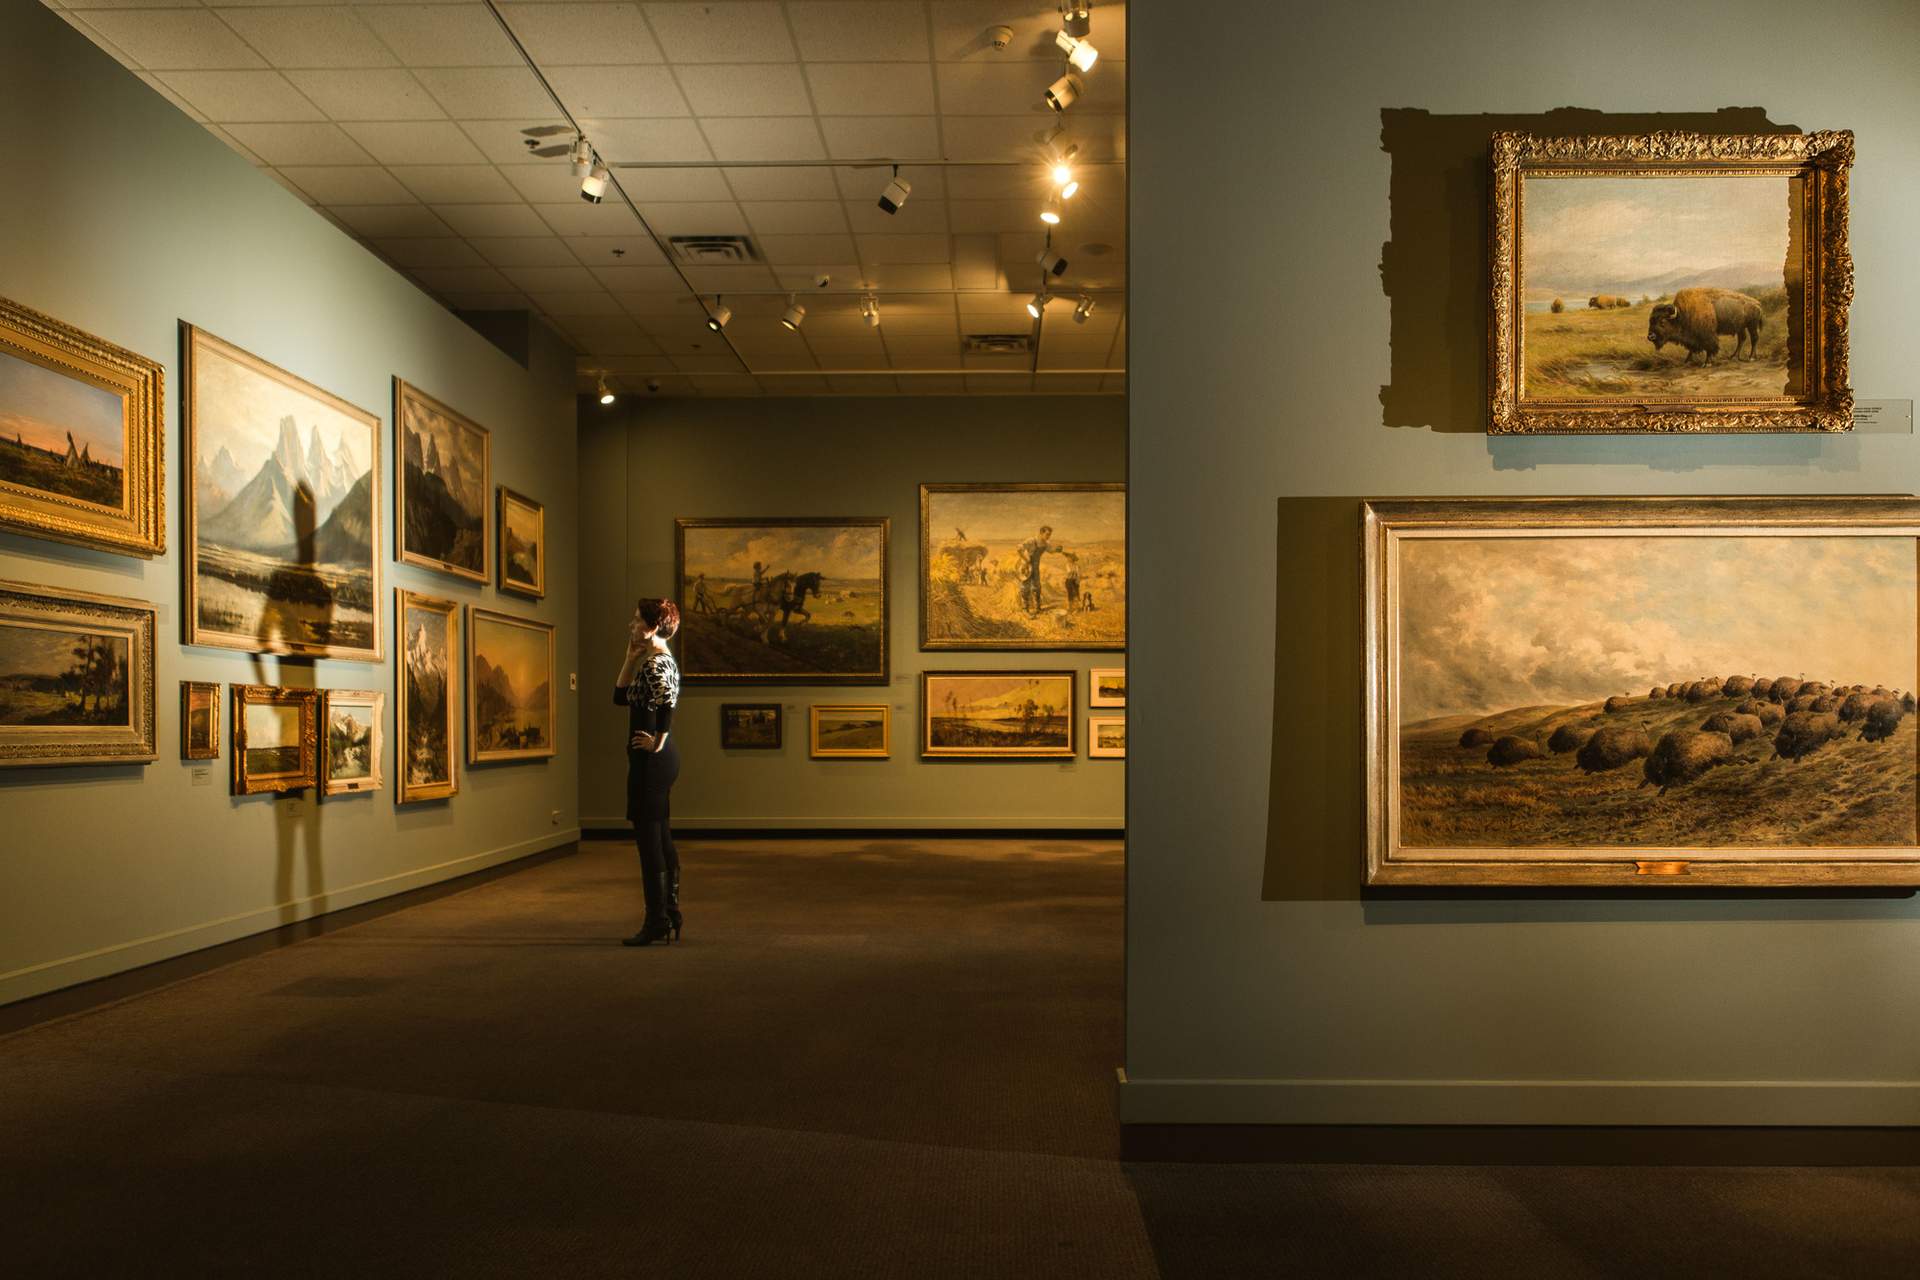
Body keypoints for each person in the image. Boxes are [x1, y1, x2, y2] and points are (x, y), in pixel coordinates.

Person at [614, 597, 683, 947]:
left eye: (637, 620)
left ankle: (657, 919)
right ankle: (668, 912)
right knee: (660, 835)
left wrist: (657, 741)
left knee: (649, 840)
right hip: (658, 761)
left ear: (653, 626)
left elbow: (667, 704)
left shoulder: (656, 665)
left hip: (653, 762)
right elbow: (620, 697)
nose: (632, 625)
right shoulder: (654, 659)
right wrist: (629, 658)